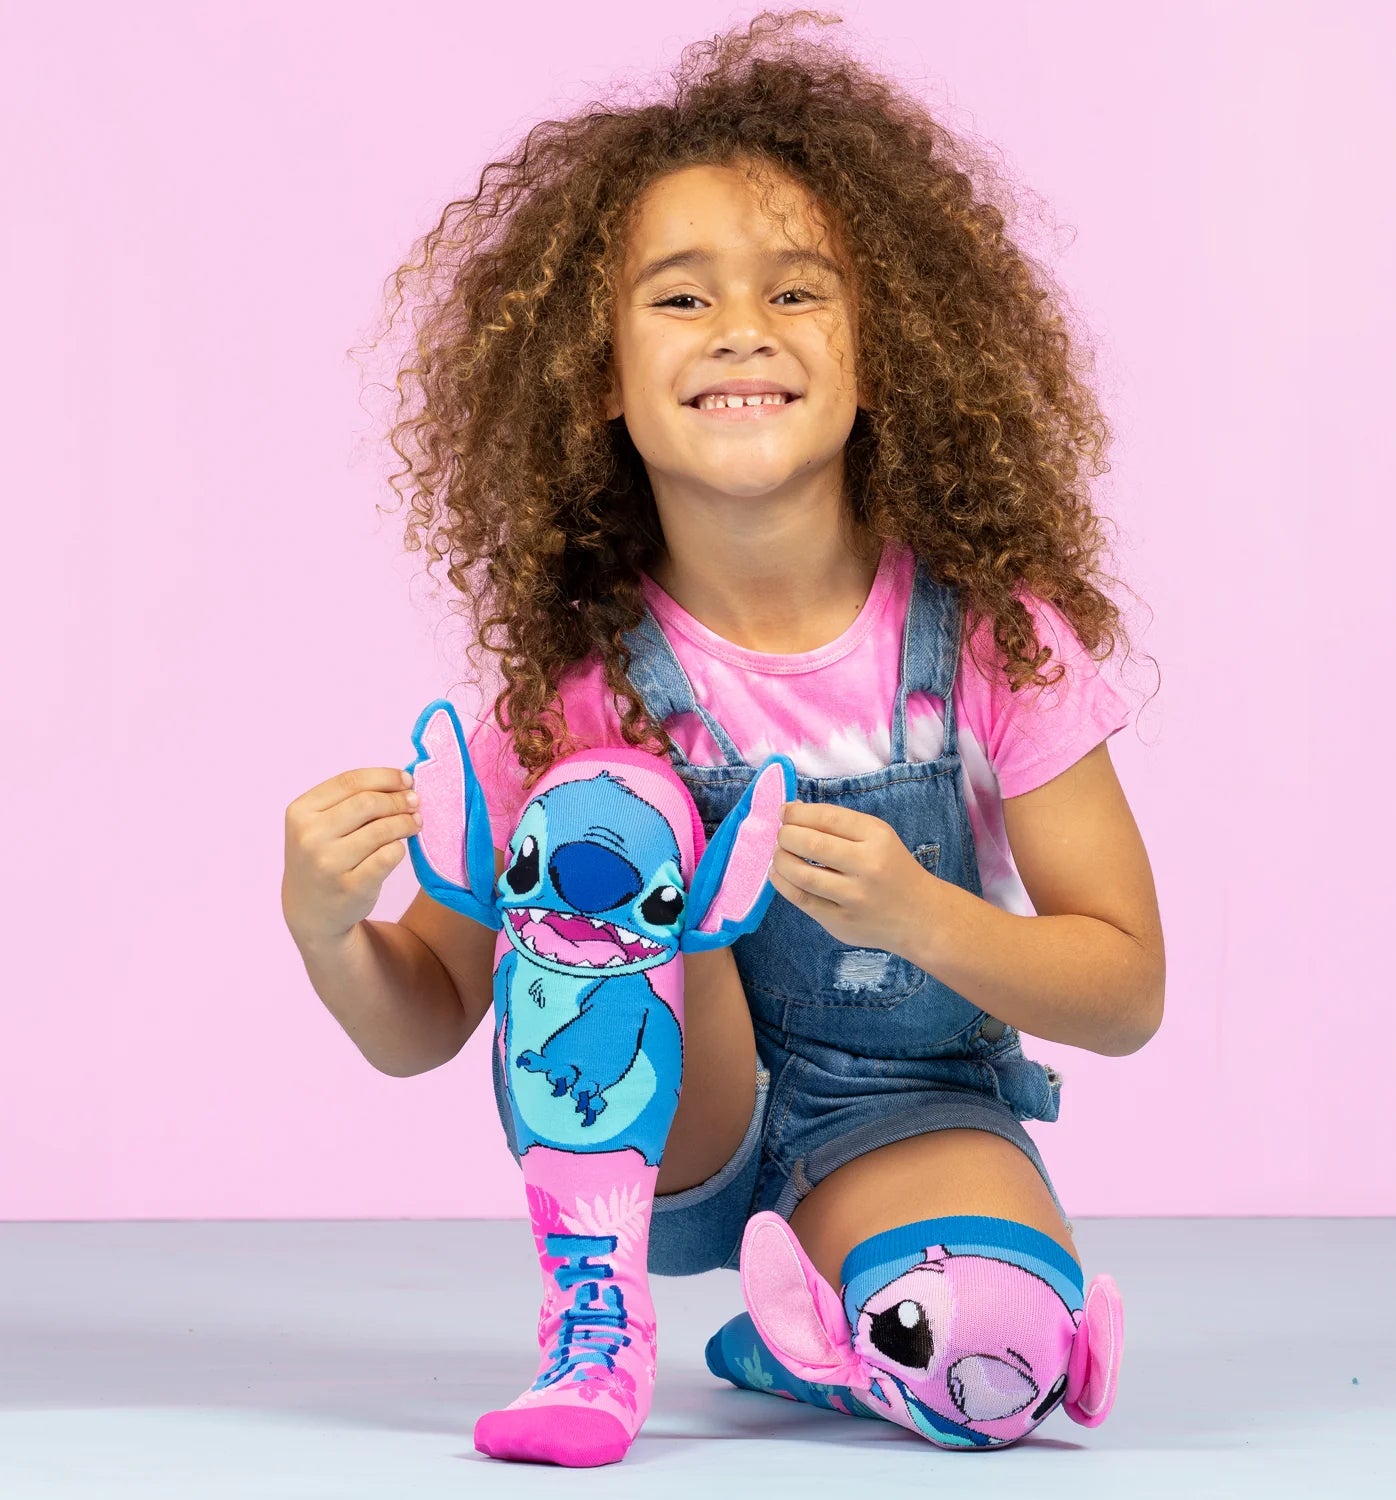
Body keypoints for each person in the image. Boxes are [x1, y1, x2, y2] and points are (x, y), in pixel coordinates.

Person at [282, 7, 1164, 1470]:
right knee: (605, 812)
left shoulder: (994, 638)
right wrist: (327, 933)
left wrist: (923, 912)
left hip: (909, 1109)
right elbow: (428, 1018)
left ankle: (820, 1346)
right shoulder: (565, 682)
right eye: (680, 300)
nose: (744, 327)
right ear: (599, 382)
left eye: (798, 292)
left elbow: (1123, 990)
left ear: (887, 354)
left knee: (992, 1363)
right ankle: (598, 1333)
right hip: (658, 1134)